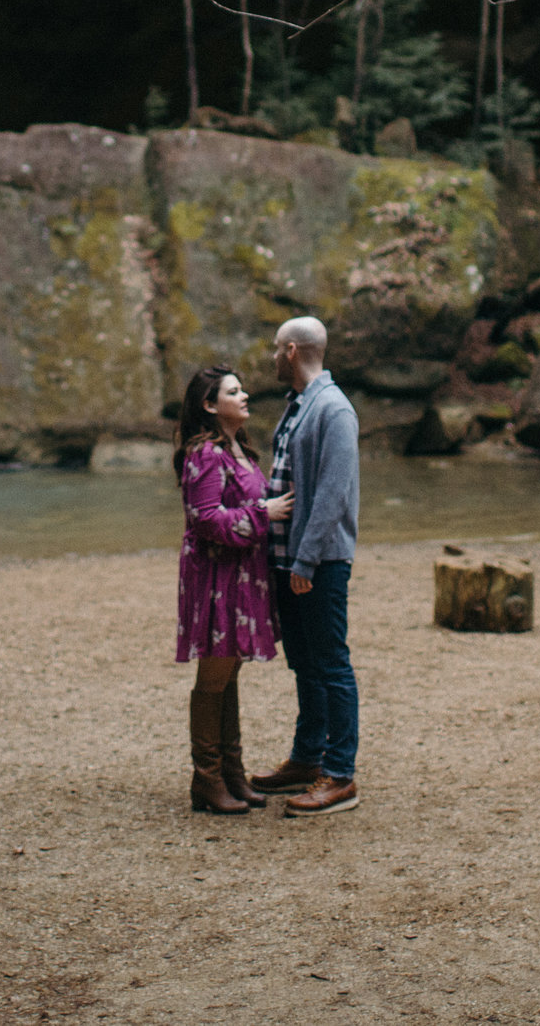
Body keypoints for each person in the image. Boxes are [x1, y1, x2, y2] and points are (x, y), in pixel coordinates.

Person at [249, 315, 362, 816]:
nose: (272, 357)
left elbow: (334, 494)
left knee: (331, 664)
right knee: (305, 663)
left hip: (317, 561)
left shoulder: (333, 410)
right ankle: (306, 757)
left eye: (277, 349)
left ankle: (340, 776)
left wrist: (307, 560)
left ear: (292, 351)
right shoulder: (299, 405)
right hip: (289, 559)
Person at [174, 363, 294, 815]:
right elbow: (203, 519)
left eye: (243, 390)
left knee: (229, 672)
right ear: (209, 405)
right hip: (217, 578)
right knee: (214, 676)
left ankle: (232, 773)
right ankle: (206, 779)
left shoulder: (240, 450)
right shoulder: (205, 453)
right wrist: (265, 512)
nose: (245, 397)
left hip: (243, 576)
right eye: (233, 391)